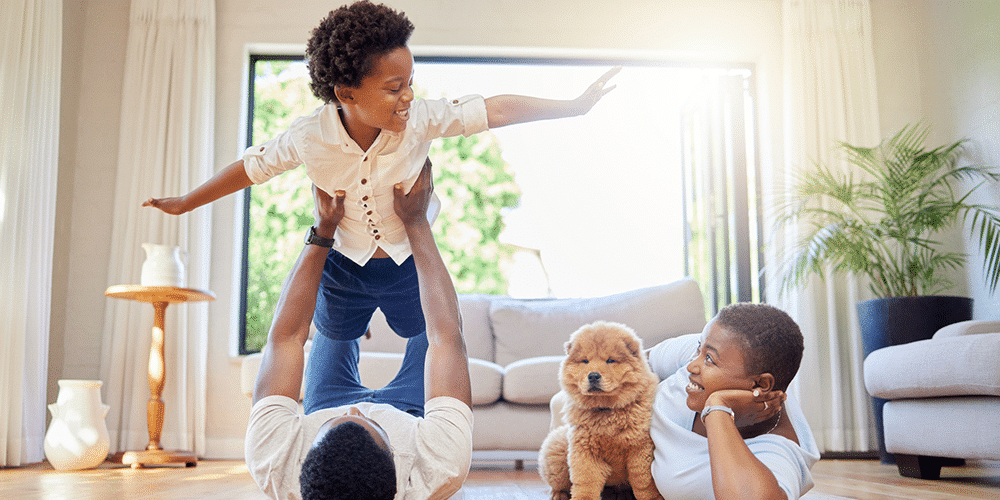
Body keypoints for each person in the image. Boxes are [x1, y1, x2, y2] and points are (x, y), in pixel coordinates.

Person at [143, 0, 618, 416]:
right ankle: (343, 364)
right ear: (346, 93)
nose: (408, 95)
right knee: (335, 330)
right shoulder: (310, 137)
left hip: (404, 264)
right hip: (343, 266)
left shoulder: (421, 119)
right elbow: (250, 168)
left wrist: (573, 106)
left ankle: (407, 403)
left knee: (432, 334)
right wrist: (186, 203)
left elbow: (495, 110)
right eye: (394, 87)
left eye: (410, 81)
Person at [246, 159, 473, 500]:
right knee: (429, 330)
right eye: (368, 422)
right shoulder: (438, 466)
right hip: (409, 413)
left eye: (343, 419)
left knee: (331, 327)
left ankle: (350, 311)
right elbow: (447, 338)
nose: (356, 410)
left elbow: (285, 338)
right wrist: (416, 222)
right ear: (397, 465)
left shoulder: (273, 459)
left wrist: (322, 230)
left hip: (324, 403)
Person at [645, 302, 820, 499]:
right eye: (699, 350)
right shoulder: (710, 345)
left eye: (709, 359)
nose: (692, 366)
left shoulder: (779, 449)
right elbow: (626, 362)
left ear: (761, 385)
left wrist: (718, 408)